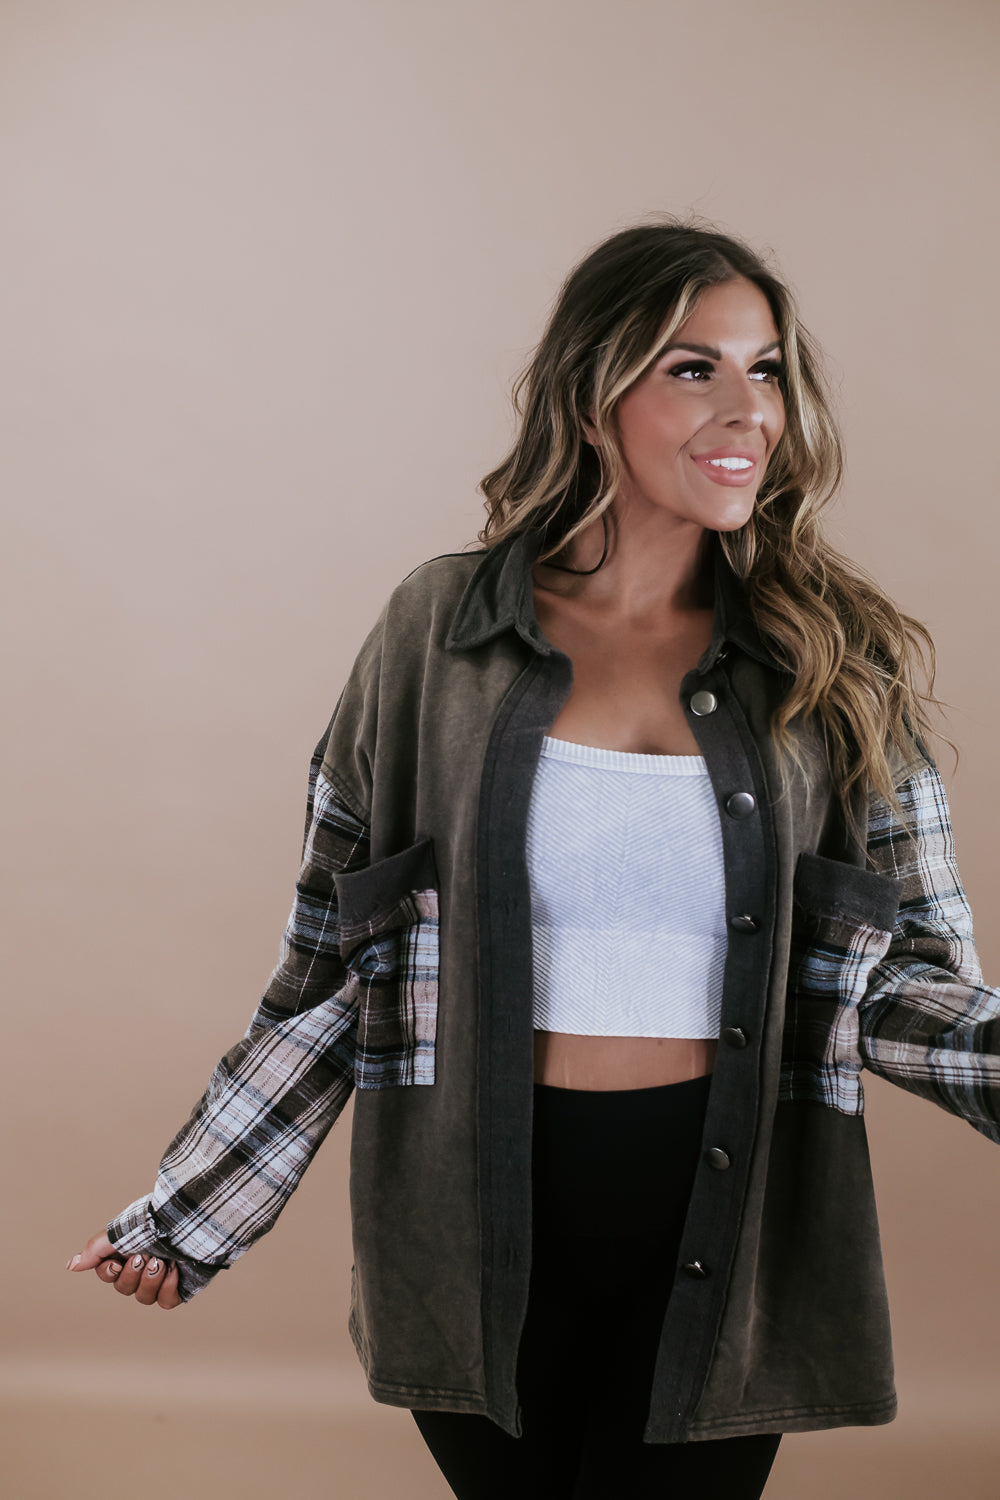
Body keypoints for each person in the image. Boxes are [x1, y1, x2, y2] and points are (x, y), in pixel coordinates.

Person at [68, 220, 1000, 1500]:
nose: (748, 409)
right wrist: (193, 1211)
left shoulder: (833, 658)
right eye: (693, 368)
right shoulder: (436, 633)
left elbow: (905, 976)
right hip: (467, 1220)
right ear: (593, 391)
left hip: (725, 1216)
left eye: (767, 369)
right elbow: (339, 967)